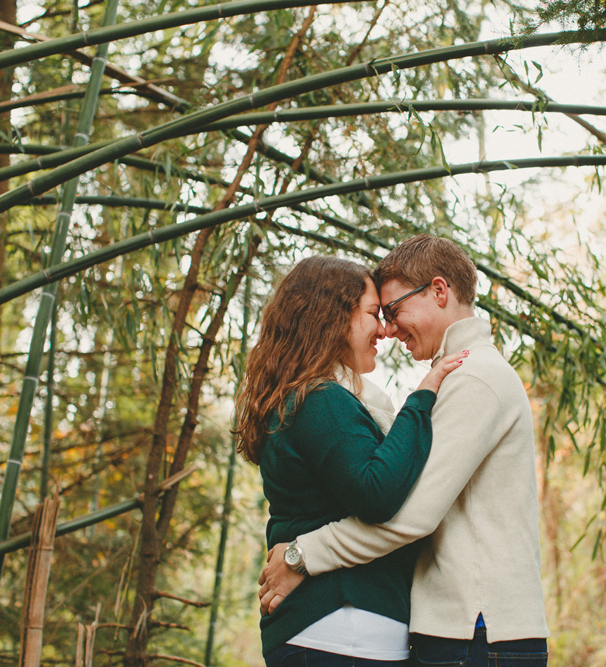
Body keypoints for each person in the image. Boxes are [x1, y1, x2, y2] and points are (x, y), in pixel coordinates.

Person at [258, 235, 549, 666]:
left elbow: (410, 514)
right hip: (461, 628)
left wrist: (303, 556)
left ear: (438, 290)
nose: (389, 329)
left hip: (476, 630)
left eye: (392, 311)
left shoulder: (473, 377)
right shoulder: (455, 375)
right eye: (379, 315)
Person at [234, 255, 466, 666]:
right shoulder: (320, 401)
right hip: (339, 630)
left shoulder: (314, 399)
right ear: (333, 317)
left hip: (343, 632)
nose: (383, 329)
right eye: (373, 314)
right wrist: (422, 398)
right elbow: (376, 492)